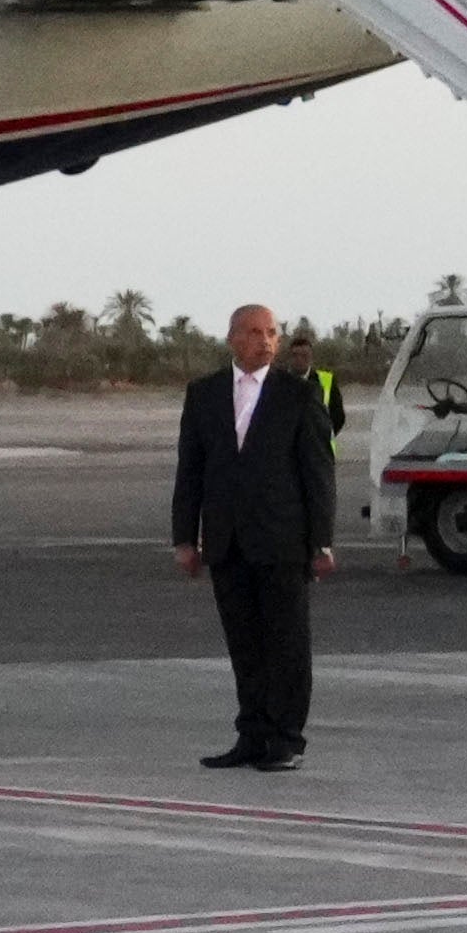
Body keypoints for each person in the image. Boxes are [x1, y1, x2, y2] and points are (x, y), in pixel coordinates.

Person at [168, 299, 336, 773]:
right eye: (253, 332)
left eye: (271, 332)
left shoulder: (298, 395)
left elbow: (318, 473)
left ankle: (286, 738)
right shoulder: (203, 394)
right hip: (226, 540)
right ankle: (252, 734)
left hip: (283, 540)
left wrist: (321, 541)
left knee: (287, 644)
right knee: (245, 645)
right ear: (232, 339)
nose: (264, 340)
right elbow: (191, 470)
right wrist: (185, 537)